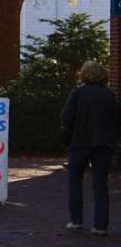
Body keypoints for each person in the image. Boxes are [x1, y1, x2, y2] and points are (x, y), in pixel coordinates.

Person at [61, 61, 119, 236]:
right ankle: (100, 225)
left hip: (79, 142)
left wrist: (67, 136)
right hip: (104, 144)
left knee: (75, 181)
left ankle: (76, 221)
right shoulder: (109, 95)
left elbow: (66, 116)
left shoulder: (78, 93)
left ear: (84, 75)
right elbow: (116, 119)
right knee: (100, 183)